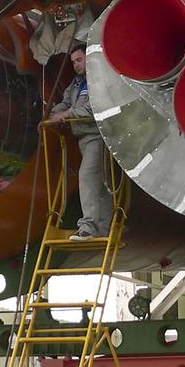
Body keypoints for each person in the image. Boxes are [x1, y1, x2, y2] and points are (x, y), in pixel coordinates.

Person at [49, 43, 112, 240]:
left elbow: (96, 108)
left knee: (87, 176)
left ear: (89, 58)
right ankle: (102, 227)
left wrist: (67, 114)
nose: (76, 65)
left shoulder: (99, 80)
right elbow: (65, 103)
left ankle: (88, 227)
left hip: (97, 136)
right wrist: (53, 114)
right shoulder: (76, 84)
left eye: (79, 60)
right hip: (83, 138)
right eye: (73, 62)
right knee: (99, 182)